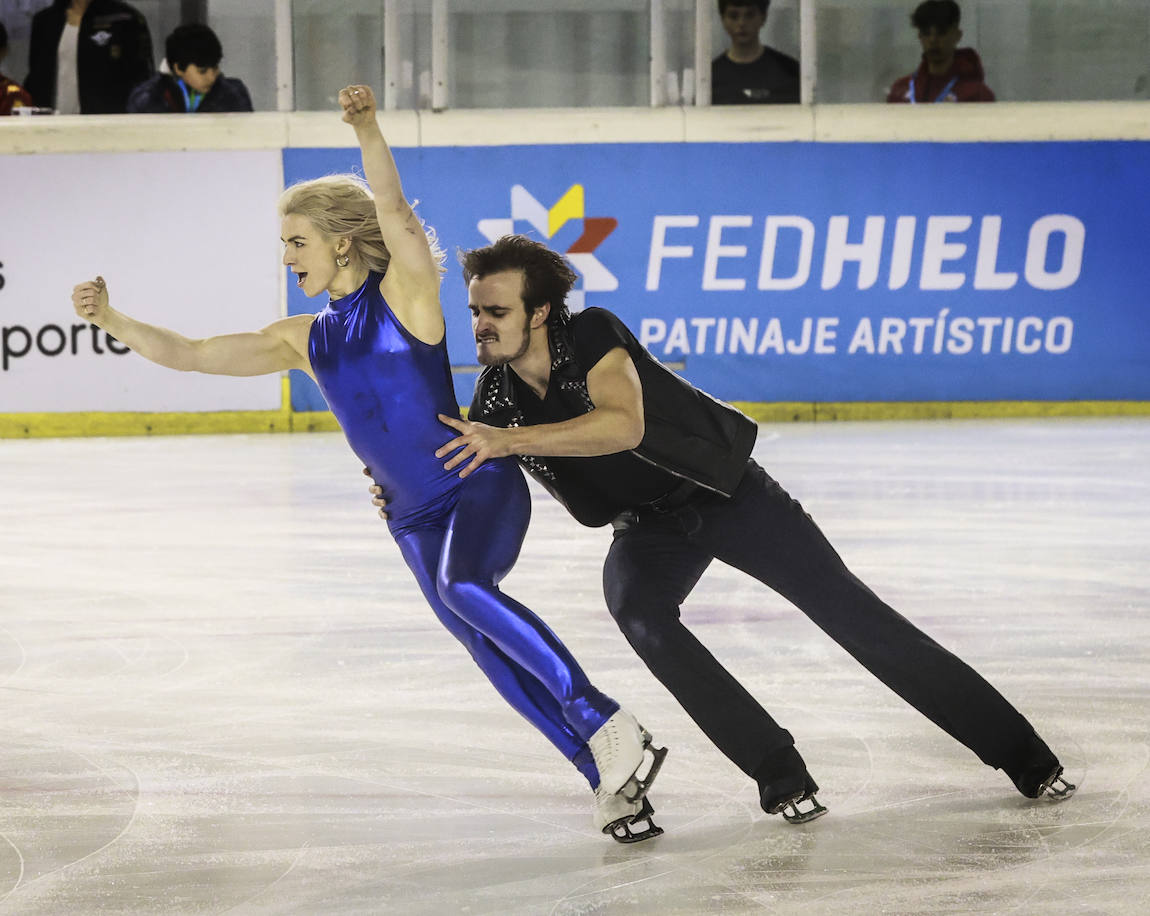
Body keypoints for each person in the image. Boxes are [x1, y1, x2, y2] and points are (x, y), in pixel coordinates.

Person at [70, 86, 666, 844]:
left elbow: (396, 213)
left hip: (472, 481)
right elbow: (191, 355)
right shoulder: (302, 338)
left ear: (341, 242)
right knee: (481, 646)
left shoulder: (407, 298)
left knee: (464, 587)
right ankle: (609, 782)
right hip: (410, 518)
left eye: (297, 243)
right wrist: (112, 318)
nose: (286, 258)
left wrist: (367, 129)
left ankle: (603, 719)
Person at [371, 234, 1076, 823]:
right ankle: (777, 769)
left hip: (725, 493)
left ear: (543, 310)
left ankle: (1024, 756)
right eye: (475, 312)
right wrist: (403, 488)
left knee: (851, 614)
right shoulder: (494, 397)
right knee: (638, 610)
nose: (481, 325)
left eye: (496, 311)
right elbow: (458, 460)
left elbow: (623, 424)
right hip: (646, 527)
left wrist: (510, 441)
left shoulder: (591, 334)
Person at [25, 0, 153, 114]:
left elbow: (142, 81)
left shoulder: (124, 19)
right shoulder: (45, 21)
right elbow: (36, 79)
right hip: (53, 125)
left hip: (108, 125)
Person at [126, 23, 253, 114]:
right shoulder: (148, 98)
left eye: (215, 67)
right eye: (202, 71)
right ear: (179, 68)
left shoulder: (233, 94)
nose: (211, 77)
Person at [886, 0, 995, 103]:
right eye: (926, 33)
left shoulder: (976, 94)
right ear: (919, 36)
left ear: (957, 35)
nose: (933, 40)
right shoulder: (900, 91)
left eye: (941, 32)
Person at [711, 0, 800, 105]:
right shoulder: (710, 77)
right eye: (733, 16)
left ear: (763, 17)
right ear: (723, 20)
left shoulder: (790, 71)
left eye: (749, 15)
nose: (741, 23)